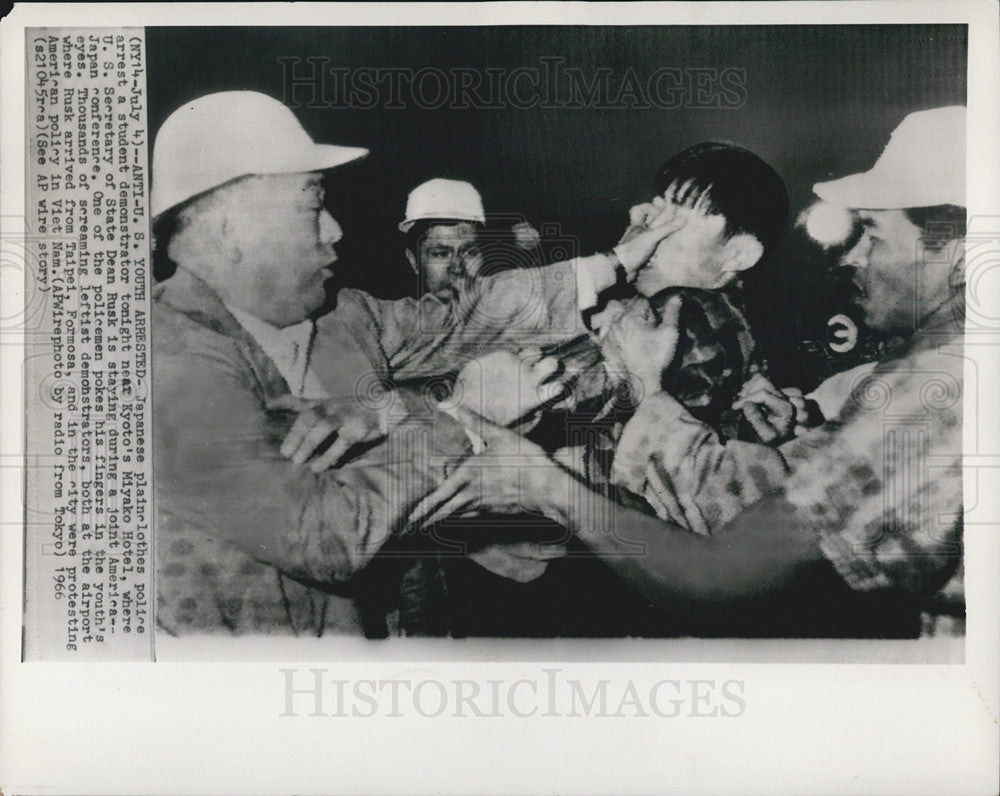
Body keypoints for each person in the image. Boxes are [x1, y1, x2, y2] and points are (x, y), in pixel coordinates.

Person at [411, 106, 966, 638]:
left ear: (739, 255)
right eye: (648, 209)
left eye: (670, 220)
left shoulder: (689, 320)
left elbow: (722, 561)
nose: (642, 224)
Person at [151, 91, 683, 636]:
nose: (334, 229)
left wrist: (618, 263)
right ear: (228, 232)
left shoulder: (345, 317)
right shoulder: (168, 362)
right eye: (313, 206)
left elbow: (466, 318)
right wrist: (463, 414)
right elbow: (325, 533)